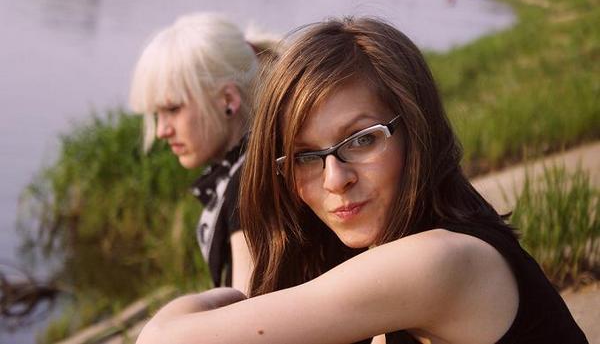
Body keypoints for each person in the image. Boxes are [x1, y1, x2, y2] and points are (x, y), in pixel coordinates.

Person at [135, 17, 588, 344]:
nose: (335, 179)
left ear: (417, 130)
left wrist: (222, 298)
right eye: (306, 157)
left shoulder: (440, 263)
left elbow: (163, 340)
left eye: (362, 139)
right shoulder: (411, 250)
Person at [129, 13, 278, 293]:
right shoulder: (261, 162)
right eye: (157, 114)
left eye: (173, 109)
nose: (161, 131)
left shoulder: (246, 183)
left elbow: (246, 312)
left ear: (228, 100)